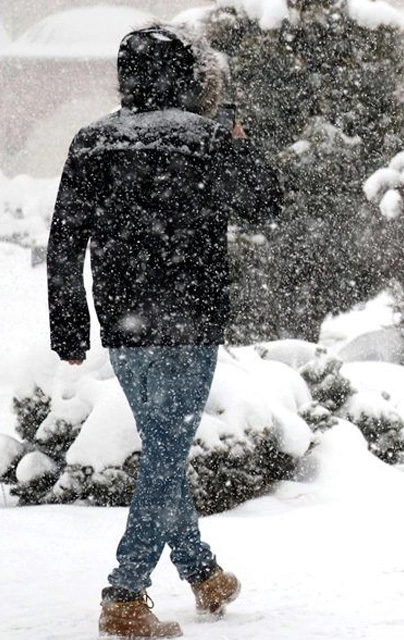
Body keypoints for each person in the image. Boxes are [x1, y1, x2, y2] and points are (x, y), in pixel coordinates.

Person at [46, 24, 282, 638]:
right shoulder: (206, 140)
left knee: (163, 450)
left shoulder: (92, 141)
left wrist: (69, 328)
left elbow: (65, 242)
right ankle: (125, 594)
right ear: (185, 76)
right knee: (166, 453)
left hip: (124, 323)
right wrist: (239, 143)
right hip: (190, 317)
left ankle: (201, 571)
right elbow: (267, 203)